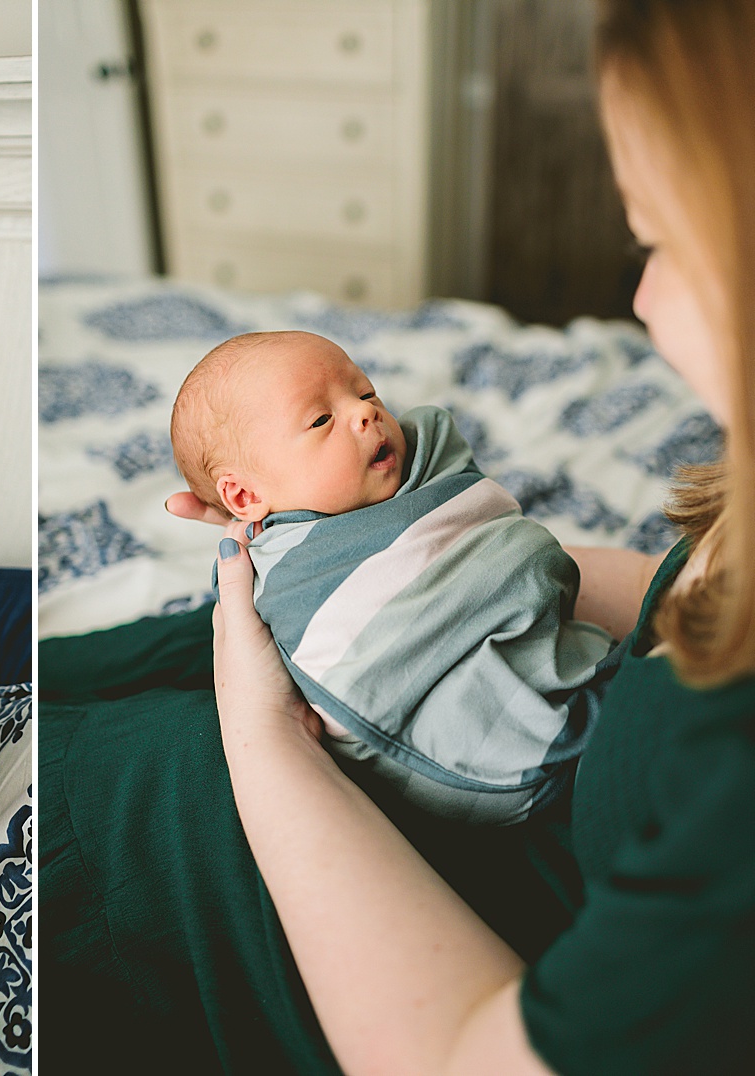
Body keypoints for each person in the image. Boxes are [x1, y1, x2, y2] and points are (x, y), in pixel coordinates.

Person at [42, 0, 755, 1071]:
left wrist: (263, 739)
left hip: (451, 929)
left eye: (659, 239)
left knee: (83, 767)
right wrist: (418, 544)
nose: (641, 296)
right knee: (194, 633)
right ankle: (4, 668)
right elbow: (673, 594)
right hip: (431, 784)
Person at [168, 331, 619, 824]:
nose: (366, 413)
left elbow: (476, 519)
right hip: (480, 765)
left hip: (564, 670)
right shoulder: (285, 580)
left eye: (364, 392)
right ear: (243, 498)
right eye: (321, 419)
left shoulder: (428, 468)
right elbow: (353, 665)